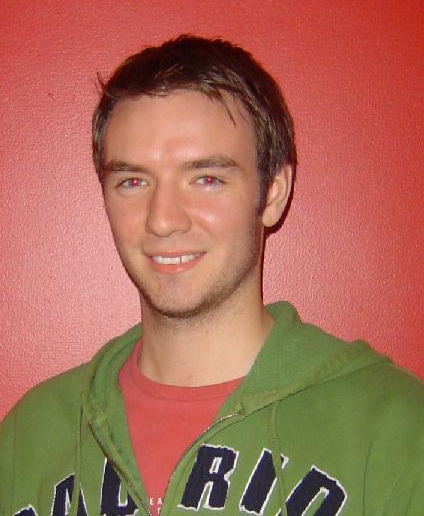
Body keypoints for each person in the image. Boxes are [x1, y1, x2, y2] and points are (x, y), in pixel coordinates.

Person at [0, 35, 423, 516]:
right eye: (133, 181)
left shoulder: (394, 433)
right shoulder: (29, 437)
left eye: (206, 179)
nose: (163, 219)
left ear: (273, 193)